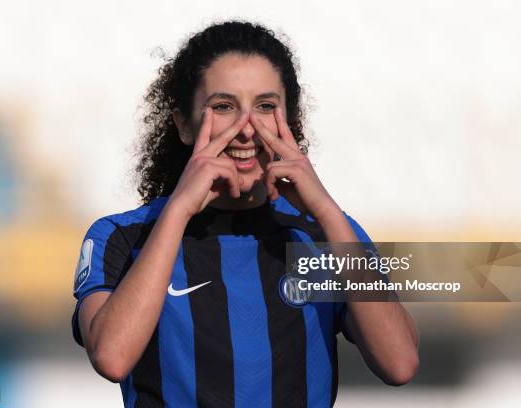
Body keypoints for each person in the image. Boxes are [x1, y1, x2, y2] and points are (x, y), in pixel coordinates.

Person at [71, 20, 419, 407]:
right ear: (184, 125)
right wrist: (180, 209)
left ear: (290, 121)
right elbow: (111, 358)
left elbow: (400, 363)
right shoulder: (121, 235)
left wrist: (325, 209)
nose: (246, 129)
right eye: (223, 106)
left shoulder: (328, 235)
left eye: (266, 107)